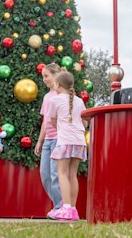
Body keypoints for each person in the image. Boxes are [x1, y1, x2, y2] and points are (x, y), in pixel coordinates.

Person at [47, 71, 87, 221]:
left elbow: (52, 121)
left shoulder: (55, 100)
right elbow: (85, 122)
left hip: (65, 141)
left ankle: (66, 209)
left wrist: (61, 129)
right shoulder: (79, 101)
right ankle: (73, 209)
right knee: (72, 175)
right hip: (79, 141)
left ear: (58, 84)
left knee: (61, 173)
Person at [33, 63, 63, 219]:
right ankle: (60, 204)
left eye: (46, 76)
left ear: (55, 75)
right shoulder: (46, 97)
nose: (44, 80)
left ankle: (59, 207)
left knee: (55, 174)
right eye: (43, 77)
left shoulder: (62, 94)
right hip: (48, 141)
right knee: (45, 175)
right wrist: (40, 142)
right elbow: (45, 121)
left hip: (59, 139)